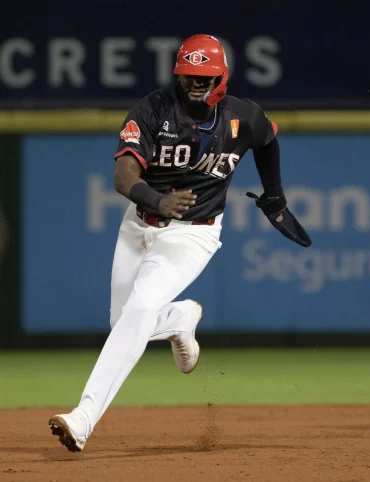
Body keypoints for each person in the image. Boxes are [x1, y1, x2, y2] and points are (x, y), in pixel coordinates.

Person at [49, 34, 311, 452]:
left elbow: (267, 141)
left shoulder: (244, 116)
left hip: (194, 232)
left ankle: (83, 417)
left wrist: (275, 197)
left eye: (205, 77)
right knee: (125, 324)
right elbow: (122, 177)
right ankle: (179, 319)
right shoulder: (152, 110)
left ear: (221, 77)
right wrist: (157, 200)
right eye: (189, 76)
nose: (196, 83)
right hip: (140, 223)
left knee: (137, 311)